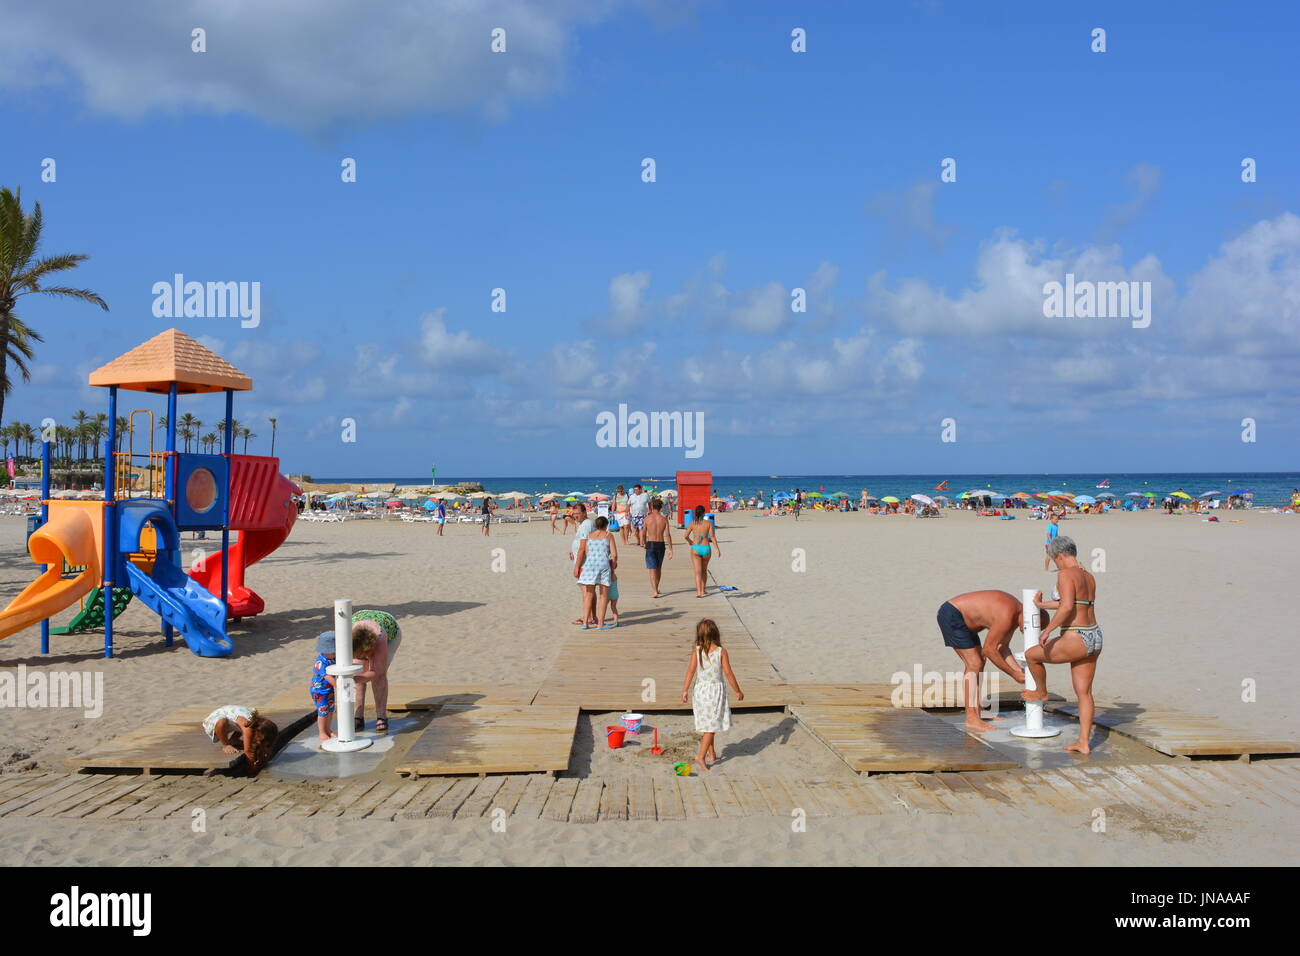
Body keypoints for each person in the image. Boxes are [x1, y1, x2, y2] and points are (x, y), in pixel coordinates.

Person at [1026, 536, 1102, 754]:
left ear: (1060, 556)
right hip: (1095, 635)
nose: (1055, 564)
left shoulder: (1066, 574)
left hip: (1076, 636)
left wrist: (1047, 630)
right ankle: (1084, 743)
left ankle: (1041, 692)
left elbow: (1067, 607)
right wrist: (1041, 604)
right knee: (1084, 693)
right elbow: (1075, 603)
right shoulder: (1088, 576)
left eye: (1054, 560)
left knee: (1032, 655)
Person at [935, 590, 1035, 731]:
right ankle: (971, 718)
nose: (1025, 631)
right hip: (953, 614)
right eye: (1028, 626)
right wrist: (1013, 674)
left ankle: (978, 710)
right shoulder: (1007, 614)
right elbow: (989, 650)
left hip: (967, 620)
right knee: (974, 663)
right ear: (1027, 616)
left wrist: (1019, 670)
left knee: (979, 661)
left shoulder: (1016, 614)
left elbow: (1002, 647)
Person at [680, 618, 743, 773]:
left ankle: (712, 753)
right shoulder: (721, 651)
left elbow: (690, 671)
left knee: (709, 723)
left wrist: (685, 690)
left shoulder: (697, 650)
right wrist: (738, 690)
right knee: (712, 725)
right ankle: (700, 756)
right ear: (716, 633)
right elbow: (728, 673)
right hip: (714, 692)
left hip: (700, 691)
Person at [351, 609, 402, 733]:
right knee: (358, 670)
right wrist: (356, 677)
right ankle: (357, 716)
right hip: (360, 621)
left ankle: (381, 716)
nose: (363, 657)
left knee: (379, 677)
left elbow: (377, 671)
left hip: (389, 628)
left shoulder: (380, 637)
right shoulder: (346, 638)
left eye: (364, 654)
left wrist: (358, 678)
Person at [310, 631, 367, 742]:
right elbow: (327, 677)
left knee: (330, 710)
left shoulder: (333, 659)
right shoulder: (320, 662)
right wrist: (339, 686)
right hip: (319, 691)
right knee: (323, 711)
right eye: (333, 651)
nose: (336, 653)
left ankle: (328, 730)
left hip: (329, 690)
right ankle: (322, 732)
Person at [200, 705, 278, 773]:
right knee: (222, 722)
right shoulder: (249, 729)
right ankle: (226, 744)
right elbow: (248, 751)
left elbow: (265, 746)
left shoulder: (254, 722)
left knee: (243, 726)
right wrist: (252, 768)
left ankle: (234, 739)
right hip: (213, 721)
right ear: (260, 736)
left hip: (233, 716)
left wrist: (264, 756)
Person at [574, 515, 617, 629]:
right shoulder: (608, 535)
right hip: (603, 565)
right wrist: (614, 564)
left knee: (588, 594)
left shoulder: (589, 536)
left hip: (589, 566)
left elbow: (587, 553)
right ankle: (601, 623)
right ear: (606, 525)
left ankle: (585, 623)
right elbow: (614, 554)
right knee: (603, 595)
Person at [684, 504, 719, 598]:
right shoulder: (708, 523)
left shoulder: (692, 523)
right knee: (704, 570)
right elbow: (712, 537)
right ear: (704, 513)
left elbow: (685, 536)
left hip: (696, 548)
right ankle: (703, 590)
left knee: (697, 572)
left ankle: (699, 592)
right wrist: (717, 549)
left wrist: (690, 542)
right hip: (706, 548)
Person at [643, 497, 675, 598]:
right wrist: (670, 549)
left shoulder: (647, 519)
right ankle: (656, 587)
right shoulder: (664, 519)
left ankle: (655, 591)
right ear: (661, 508)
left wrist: (644, 543)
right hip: (661, 544)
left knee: (652, 569)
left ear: (652, 507)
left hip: (651, 544)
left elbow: (643, 533)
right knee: (658, 568)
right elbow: (668, 535)